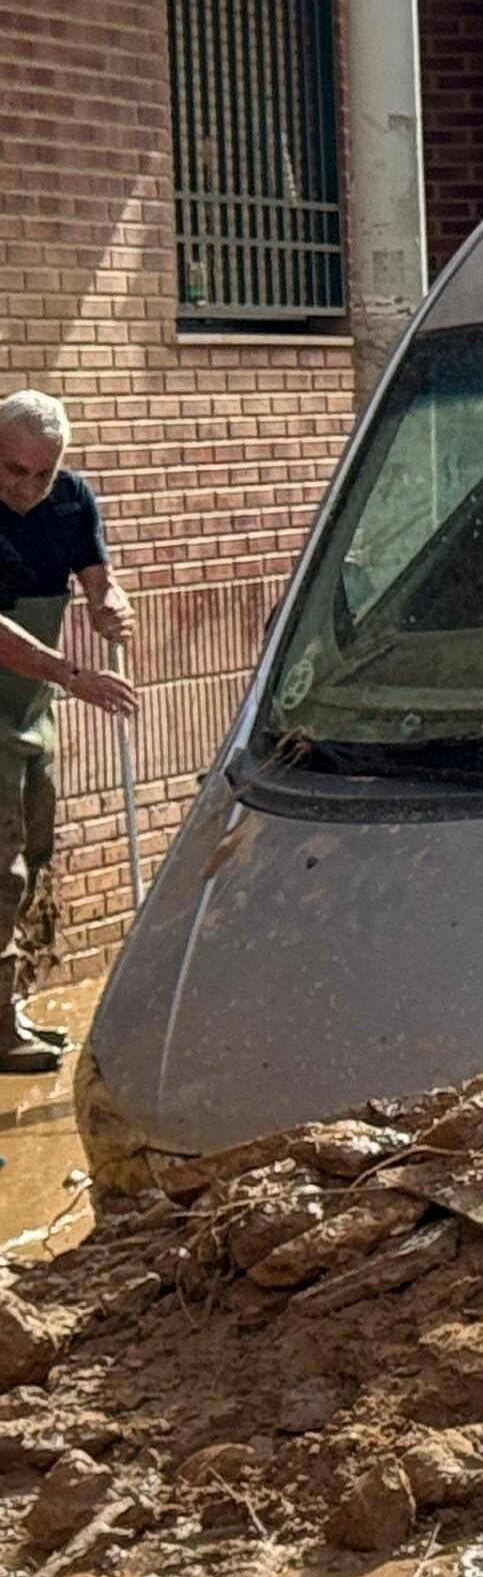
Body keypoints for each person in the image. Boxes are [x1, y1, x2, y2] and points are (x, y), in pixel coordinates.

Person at [0, 394, 139, 1076]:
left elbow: (97, 580)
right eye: (12, 471)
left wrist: (109, 604)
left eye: (42, 476)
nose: (27, 489)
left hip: (29, 713)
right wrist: (74, 675)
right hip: (17, 693)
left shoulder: (71, 500)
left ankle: (6, 1010)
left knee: (33, 852)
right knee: (0, 868)